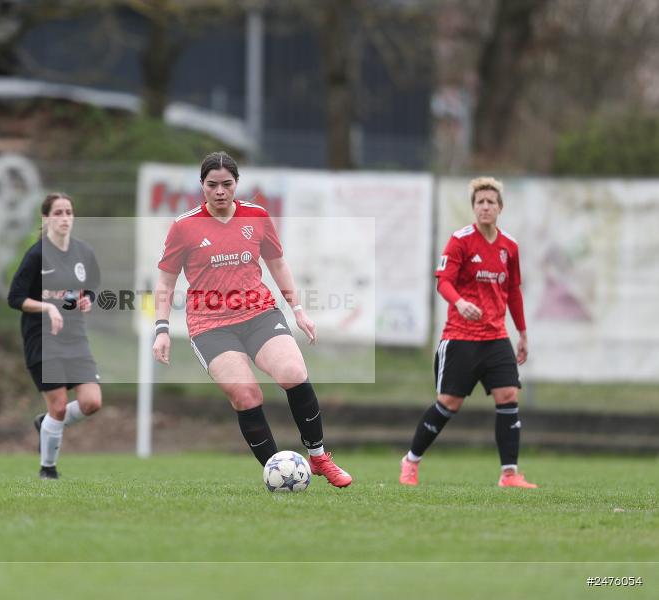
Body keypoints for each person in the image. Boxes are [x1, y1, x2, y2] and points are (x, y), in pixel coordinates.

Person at [152, 151, 351, 488]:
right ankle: (277, 474)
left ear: (236, 184)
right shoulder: (184, 226)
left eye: (226, 184)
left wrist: (298, 310)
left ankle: (318, 458)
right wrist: (162, 329)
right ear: (201, 185)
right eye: (212, 185)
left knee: (293, 373)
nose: (219, 191)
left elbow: (278, 263)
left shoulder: (257, 216)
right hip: (210, 326)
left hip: (259, 314)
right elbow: (165, 281)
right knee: (246, 395)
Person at [399, 176, 536, 488]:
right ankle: (411, 461)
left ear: (500, 208)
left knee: (508, 395)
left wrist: (523, 333)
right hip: (460, 337)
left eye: (491, 202)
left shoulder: (509, 247)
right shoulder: (460, 241)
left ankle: (509, 474)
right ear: (474, 207)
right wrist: (459, 303)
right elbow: (443, 281)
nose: (485, 207)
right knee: (449, 402)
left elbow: (513, 292)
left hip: (496, 337)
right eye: (480, 202)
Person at [8, 193, 102, 480]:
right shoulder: (36, 255)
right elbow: (15, 298)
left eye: (68, 212)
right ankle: (48, 469)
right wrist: (48, 307)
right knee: (59, 406)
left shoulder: (83, 252)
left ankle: (46, 423)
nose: (64, 218)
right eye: (58, 213)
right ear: (46, 218)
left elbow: (92, 287)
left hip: (75, 336)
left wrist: (87, 300)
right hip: (42, 338)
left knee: (92, 402)